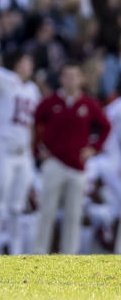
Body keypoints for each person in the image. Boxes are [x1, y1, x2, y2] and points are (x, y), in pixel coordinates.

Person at [33, 63, 111, 254]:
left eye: (75, 76)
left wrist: (93, 149)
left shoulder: (88, 104)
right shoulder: (50, 103)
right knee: (46, 213)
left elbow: (105, 126)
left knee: (73, 216)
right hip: (54, 163)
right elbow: (34, 123)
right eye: (67, 76)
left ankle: (69, 260)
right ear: (61, 79)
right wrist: (38, 149)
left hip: (77, 166)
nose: (71, 80)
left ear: (81, 79)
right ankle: (38, 256)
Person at [0, 50, 41, 255]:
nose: (29, 66)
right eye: (26, 61)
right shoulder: (5, 78)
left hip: (23, 153)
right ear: (17, 64)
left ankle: (15, 253)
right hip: (3, 151)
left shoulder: (33, 89)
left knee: (17, 208)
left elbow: (32, 123)